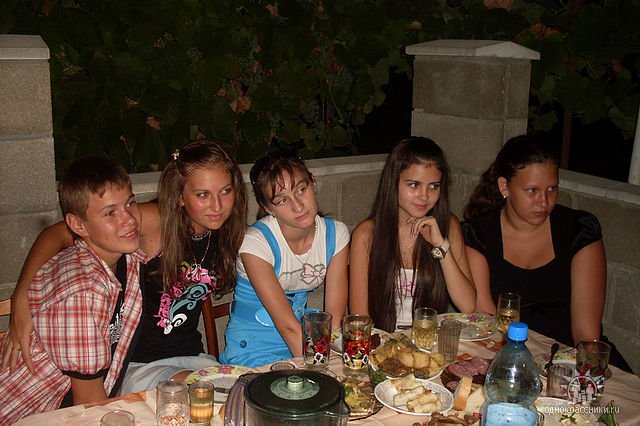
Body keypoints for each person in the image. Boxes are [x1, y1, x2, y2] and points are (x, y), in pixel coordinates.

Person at [2, 140, 248, 392]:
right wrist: (21, 297)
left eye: (225, 191)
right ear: (180, 196)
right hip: (135, 365)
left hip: (191, 358)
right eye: (203, 195)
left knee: (240, 392)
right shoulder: (155, 221)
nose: (217, 205)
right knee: (204, 394)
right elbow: (56, 234)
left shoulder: (227, 232)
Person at [462, 135, 631, 371]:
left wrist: (584, 374)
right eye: (532, 190)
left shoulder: (578, 231)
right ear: (504, 187)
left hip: (570, 359)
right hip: (508, 356)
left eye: (552, 189)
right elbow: (487, 322)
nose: (544, 202)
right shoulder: (478, 234)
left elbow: (586, 335)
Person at [0, 156, 145, 423]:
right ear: (78, 225)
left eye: (130, 203)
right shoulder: (82, 294)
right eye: (110, 213)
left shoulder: (125, 258)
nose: (129, 219)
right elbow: (90, 408)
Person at [220, 150, 349, 367]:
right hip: (253, 346)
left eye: (301, 190)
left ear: (313, 184)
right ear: (268, 208)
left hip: (303, 339)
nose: (297, 206)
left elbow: (334, 321)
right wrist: (321, 369)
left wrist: (332, 362)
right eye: (282, 200)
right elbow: (287, 327)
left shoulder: (336, 235)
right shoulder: (256, 243)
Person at [349, 137, 476, 333]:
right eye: (414, 185)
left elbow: (468, 305)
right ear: (393, 182)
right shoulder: (367, 234)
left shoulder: (448, 225)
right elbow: (360, 317)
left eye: (434, 186)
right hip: (382, 341)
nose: (424, 196)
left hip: (430, 341)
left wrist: (440, 245)